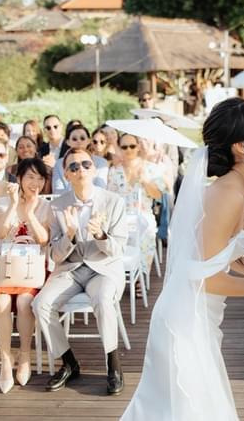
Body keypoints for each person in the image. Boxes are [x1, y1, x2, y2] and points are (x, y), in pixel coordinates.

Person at [122, 98, 244, 420]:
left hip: (201, 319)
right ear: (242, 147)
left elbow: (226, 254)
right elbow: (207, 278)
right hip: (183, 322)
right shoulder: (229, 192)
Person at [33, 148, 128, 395]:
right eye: (74, 167)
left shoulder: (114, 201)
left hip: (103, 269)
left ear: (94, 168)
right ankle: (68, 362)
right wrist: (71, 236)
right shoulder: (56, 206)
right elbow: (54, 254)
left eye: (86, 164)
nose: (81, 170)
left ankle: (113, 364)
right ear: (66, 174)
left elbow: (117, 250)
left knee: (103, 298)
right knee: (40, 303)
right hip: (70, 269)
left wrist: (100, 235)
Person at [0, 158, 53, 393]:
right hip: (5, 268)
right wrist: (14, 205)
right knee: (2, 301)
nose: (35, 183)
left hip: (32, 270)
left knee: (25, 301)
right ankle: (5, 359)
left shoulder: (45, 206)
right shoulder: (5, 201)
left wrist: (31, 213)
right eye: (30, 177)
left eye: (40, 178)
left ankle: (24, 354)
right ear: (20, 178)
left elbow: (44, 239)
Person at [107, 134, 166, 279]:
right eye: (124, 147)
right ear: (119, 148)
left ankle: (141, 275)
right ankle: (120, 274)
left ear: (138, 146)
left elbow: (158, 195)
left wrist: (145, 181)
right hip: (121, 217)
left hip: (143, 215)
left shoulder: (151, 168)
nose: (129, 150)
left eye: (132, 146)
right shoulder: (114, 171)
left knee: (146, 232)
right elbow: (110, 198)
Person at [51, 124, 109, 193]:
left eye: (82, 138)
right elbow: (57, 191)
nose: (79, 141)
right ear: (68, 142)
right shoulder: (59, 164)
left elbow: (101, 188)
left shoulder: (101, 163)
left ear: (88, 140)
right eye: (74, 139)